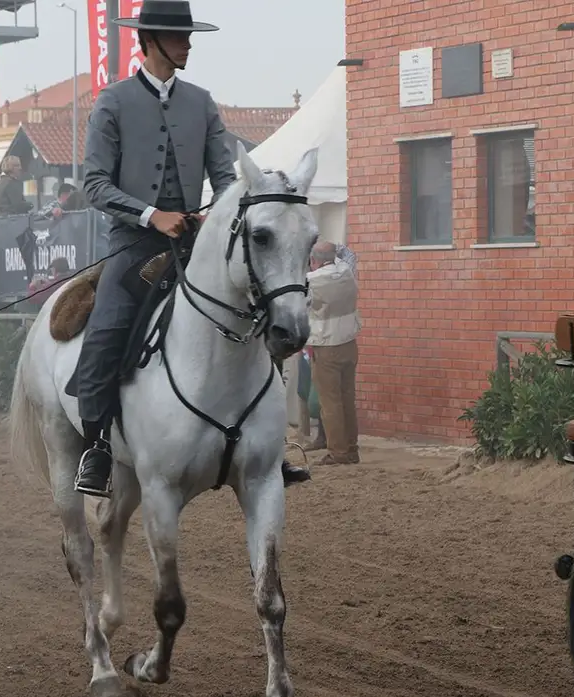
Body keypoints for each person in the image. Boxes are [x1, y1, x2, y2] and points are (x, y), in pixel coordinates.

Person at [66, 0, 310, 497]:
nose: (189, 44)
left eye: (189, 36)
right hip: (134, 243)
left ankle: (268, 443)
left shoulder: (201, 102)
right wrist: (150, 214)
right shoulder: (111, 103)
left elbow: (225, 176)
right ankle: (96, 448)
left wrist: (215, 211)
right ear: (151, 41)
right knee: (107, 330)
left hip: (197, 240)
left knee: (261, 312)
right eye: (180, 37)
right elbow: (93, 183)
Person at [306, 241, 362, 464]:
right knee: (348, 398)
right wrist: (332, 246)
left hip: (325, 345)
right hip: (349, 343)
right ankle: (352, 448)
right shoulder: (347, 271)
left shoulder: (310, 282)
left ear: (313, 261)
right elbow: (349, 253)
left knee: (330, 403)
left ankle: (338, 452)